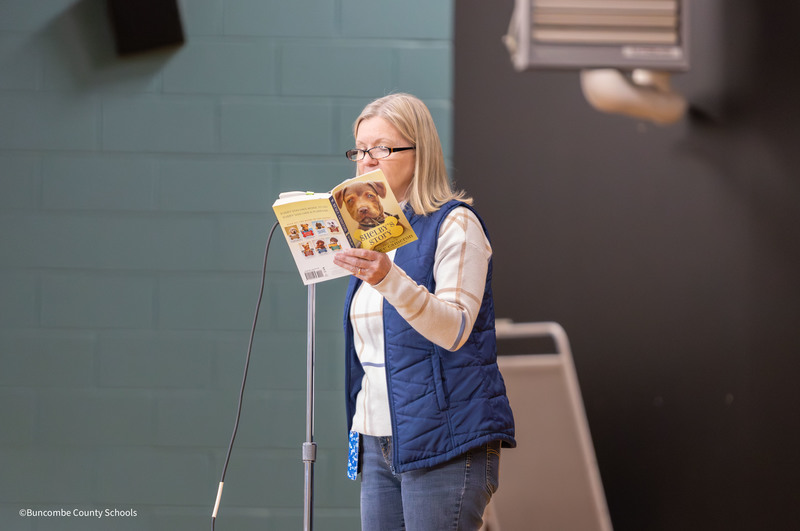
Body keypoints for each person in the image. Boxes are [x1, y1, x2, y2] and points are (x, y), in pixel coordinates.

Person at [332, 93, 516, 531]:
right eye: (359, 150)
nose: (365, 161)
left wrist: (386, 279)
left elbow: (453, 328)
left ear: (421, 152)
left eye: (381, 148)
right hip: (377, 438)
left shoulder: (456, 224)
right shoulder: (375, 235)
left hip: (446, 437)